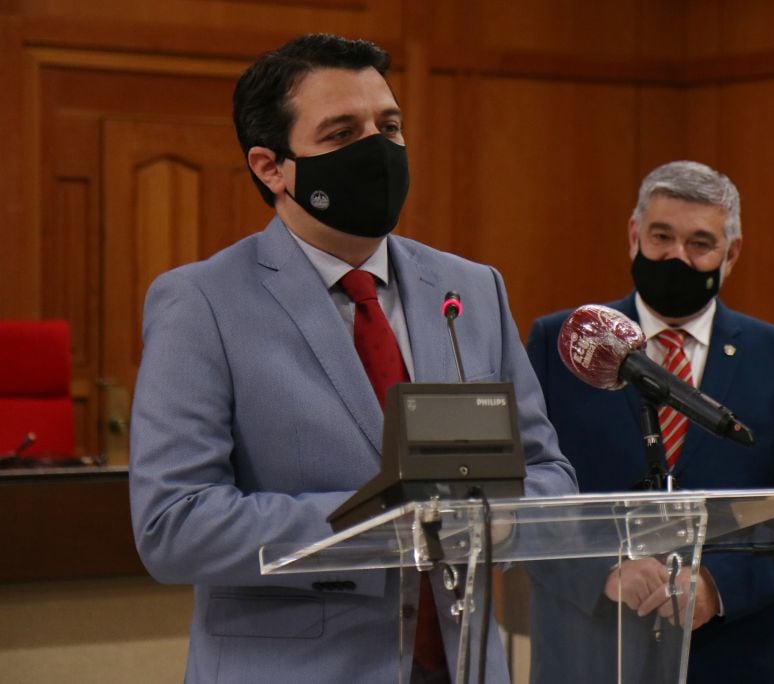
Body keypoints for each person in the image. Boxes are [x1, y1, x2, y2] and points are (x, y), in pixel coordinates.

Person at [128, 33, 576, 683]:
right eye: (342, 134)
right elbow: (175, 526)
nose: (378, 149)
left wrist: (487, 519)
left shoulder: (472, 290)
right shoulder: (203, 304)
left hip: (464, 664)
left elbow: (548, 475)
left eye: (388, 126)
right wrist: (394, 525)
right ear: (271, 167)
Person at [526, 161, 774, 683]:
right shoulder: (565, 343)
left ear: (730, 254)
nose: (677, 256)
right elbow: (525, 494)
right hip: (588, 650)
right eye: (661, 236)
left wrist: (721, 587)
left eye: (700, 243)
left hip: (728, 654)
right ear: (634, 236)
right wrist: (599, 574)